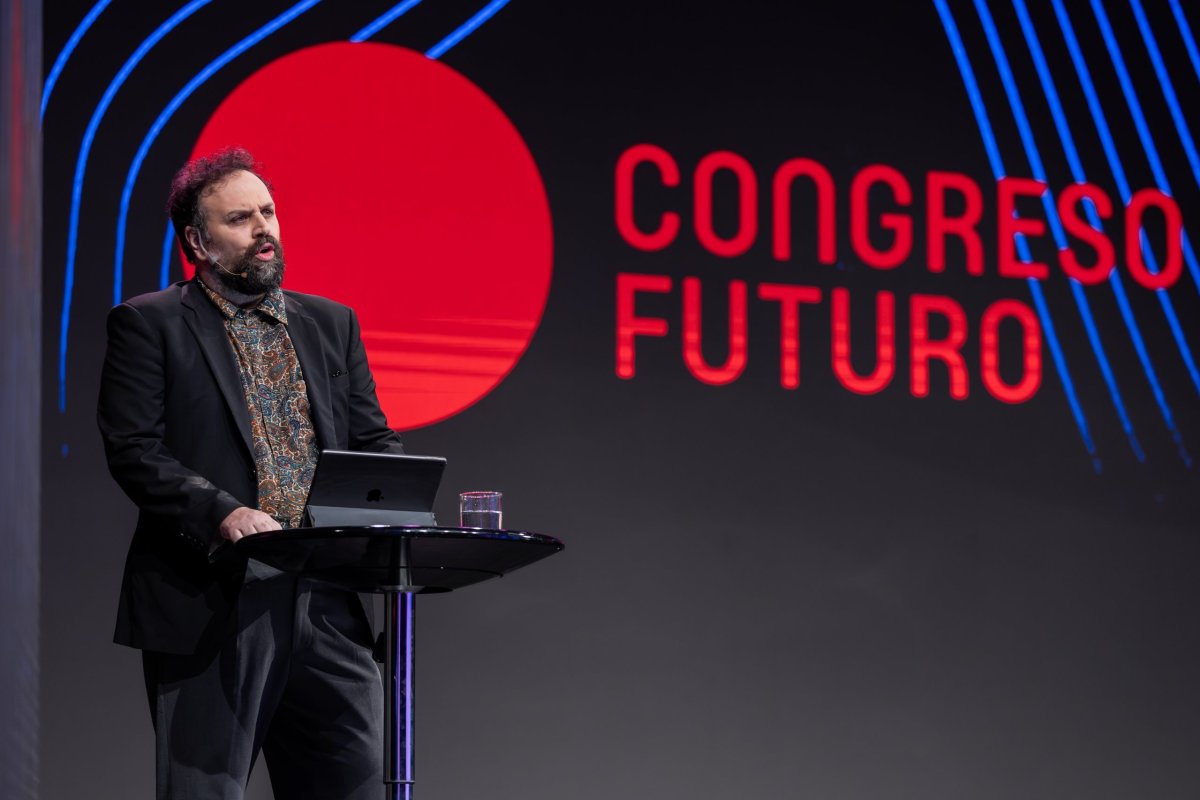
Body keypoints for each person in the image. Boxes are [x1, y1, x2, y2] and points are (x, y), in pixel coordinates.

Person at [97, 147, 403, 799]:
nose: (263, 228)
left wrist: (405, 498)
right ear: (197, 241)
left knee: (355, 786)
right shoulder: (150, 325)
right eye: (240, 219)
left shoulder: (329, 323)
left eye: (269, 211)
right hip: (216, 596)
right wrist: (223, 512)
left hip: (327, 598)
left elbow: (371, 438)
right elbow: (134, 449)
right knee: (207, 790)